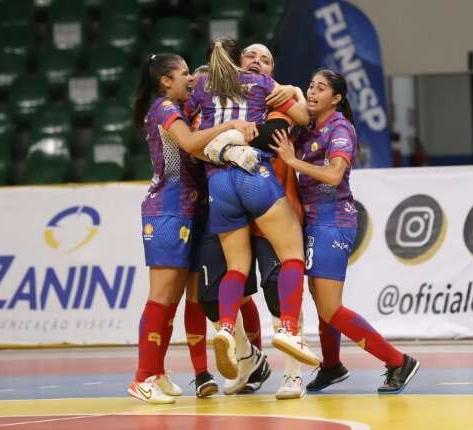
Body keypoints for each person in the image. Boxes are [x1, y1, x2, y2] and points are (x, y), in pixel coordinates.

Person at [271, 69, 420, 394]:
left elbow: (335, 175)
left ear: (336, 98)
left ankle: (398, 361)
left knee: (329, 307)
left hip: (333, 220)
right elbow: (290, 98)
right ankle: (332, 366)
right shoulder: (308, 125)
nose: (312, 92)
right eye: (311, 86)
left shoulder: (340, 128)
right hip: (313, 221)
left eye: (320, 89)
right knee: (320, 299)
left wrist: (293, 162)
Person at [185, 37, 320, 381]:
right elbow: (304, 117)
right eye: (251, 55)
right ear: (239, 60)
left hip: (218, 182)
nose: (258, 61)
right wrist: (293, 92)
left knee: (236, 266)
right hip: (253, 174)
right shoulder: (263, 84)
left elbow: (188, 137)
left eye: (265, 58)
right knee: (291, 254)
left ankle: (227, 329)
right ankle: (288, 328)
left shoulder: (201, 84)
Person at [127, 52, 258, 404]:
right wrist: (230, 126)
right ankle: (142, 377)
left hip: (187, 211)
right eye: (184, 73)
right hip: (167, 211)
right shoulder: (164, 108)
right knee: (161, 297)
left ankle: (156, 370)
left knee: (172, 301)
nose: (190, 78)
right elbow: (187, 143)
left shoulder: (180, 108)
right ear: (165, 81)